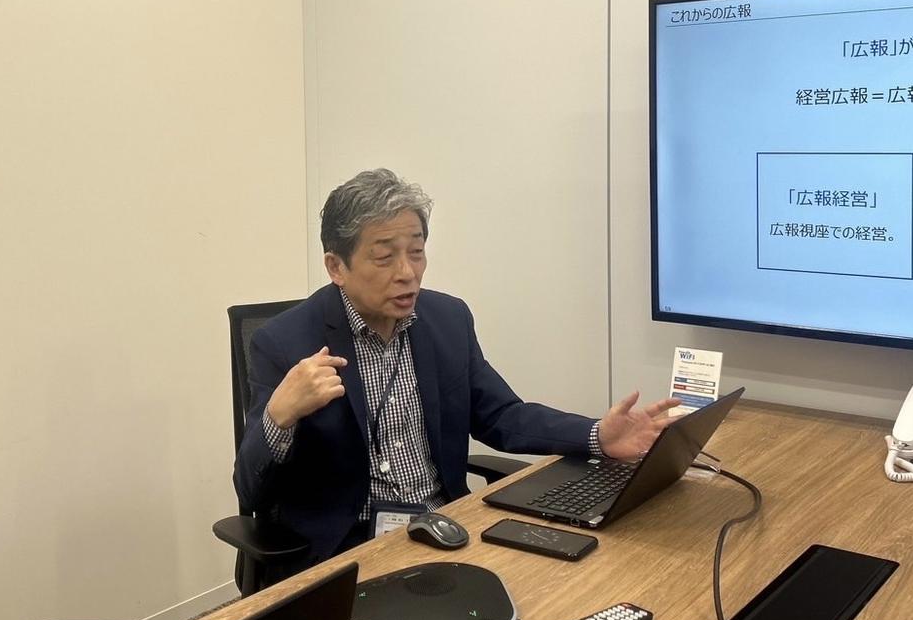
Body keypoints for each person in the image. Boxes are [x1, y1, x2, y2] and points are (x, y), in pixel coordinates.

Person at [234, 168, 679, 562]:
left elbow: (501, 416)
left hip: (447, 524)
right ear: (337, 267)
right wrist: (280, 415)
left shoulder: (447, 319)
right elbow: (250, 491)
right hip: (348, 546)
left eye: (417, 251)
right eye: (385, 257)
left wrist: (598, 435)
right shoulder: (284, 343)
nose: (407, 272)